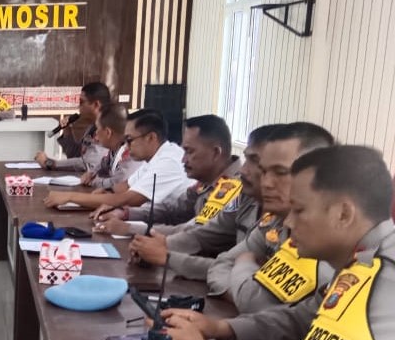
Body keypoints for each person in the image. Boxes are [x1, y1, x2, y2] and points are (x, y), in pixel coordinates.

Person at [163, 145, 395, 340]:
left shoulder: (383, 277)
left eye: (299, 210)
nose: (288, 222)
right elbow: (302, 319)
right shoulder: (365, 258)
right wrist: (221, 328)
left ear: (343, 213)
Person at [207, 122, 336, 313]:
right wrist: (243, 292)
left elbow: (255, 304)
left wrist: (245, 263)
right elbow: (221, 265)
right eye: (264, 171)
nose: (266, 183)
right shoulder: (276, 221)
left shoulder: (322, 237)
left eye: (280, 172)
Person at [124, 124, 281, 281]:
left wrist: (164, 252)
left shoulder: (235, 188)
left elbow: (248, 280)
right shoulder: (244, 195)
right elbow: (205, 234)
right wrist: (161, 245)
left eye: (190, 151)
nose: (243, 170)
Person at [96, 115, 243, 236]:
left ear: (216, 152)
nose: (183, 159)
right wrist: (126, 213)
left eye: (190, 151)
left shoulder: (232, 188)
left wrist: (130, 228)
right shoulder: (205, 181)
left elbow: (195, 232)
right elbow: (172, 209)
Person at [43, 110, 193, 211]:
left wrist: (70, 197)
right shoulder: (154, 157)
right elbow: (126, 185)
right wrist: (107, 191)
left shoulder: (168, 161)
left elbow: (128, 199)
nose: (126, 146)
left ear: (151, 138)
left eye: (130, 140)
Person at [35, 82, 111, 172]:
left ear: (96, 105)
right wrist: (67, 131)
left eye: (81, 102)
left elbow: (88, 163)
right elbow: (76, 156)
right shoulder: (92, 127)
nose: (79, 106)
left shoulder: (108, 128)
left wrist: (49, 163)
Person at [79, 103, 142, 190]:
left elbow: (119, 182)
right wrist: (91, 174)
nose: (96, 133)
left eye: (98, 128)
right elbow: (103, 165)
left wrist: (94, 182)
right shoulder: (115, 150)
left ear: (108, 132)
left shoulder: (132, 151)